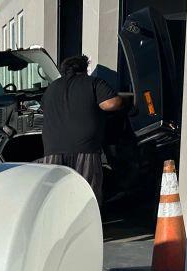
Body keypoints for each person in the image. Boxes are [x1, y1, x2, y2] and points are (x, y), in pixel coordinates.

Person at [39, 54, 125, 203]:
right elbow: (110, 104)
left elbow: (44, 111)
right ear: (85, 69)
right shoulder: (93, 82)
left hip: (52, 150)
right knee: (86, 194)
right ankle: (87, 224)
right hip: (85, 149)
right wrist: (124, 101)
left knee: (56, 195)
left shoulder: (51, 88)